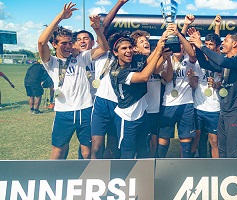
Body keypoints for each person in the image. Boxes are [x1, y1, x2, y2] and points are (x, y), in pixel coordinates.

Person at [37, 2, 108, 159]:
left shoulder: (81, 57)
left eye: (70, 42)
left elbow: (103, 48)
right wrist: (60, 17)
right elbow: (42, 42)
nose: (68, 46)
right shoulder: (52, 62)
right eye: (64, 43)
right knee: (58, 152)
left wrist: (97, 29)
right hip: (64, 113)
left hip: (86, 110)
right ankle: (54, 180)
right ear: (54, 44)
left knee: (87, 152)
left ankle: (86, 180)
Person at [189, 29, 237, 158]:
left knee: (232, 153)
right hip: (224, 111)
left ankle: (235, 178)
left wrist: (202, 46)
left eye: (226, 40)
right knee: (222, 152)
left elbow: (223, 62)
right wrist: (197, 46)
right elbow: (204, 64)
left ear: (234, 44)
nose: (222, 43)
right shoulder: (226, 62)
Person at [109, 29, 166, 159]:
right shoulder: (117, 72)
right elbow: (144, 77)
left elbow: (147, 61)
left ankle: (142, 177)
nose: (128, 51)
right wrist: (157, 51)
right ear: (115, 52)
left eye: (130, 47)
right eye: (124, 48)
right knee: (128, 153)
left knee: (143, 150)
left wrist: (161, 48)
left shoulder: (134, 59)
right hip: (127, 117)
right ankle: (126, 178)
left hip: (141, 113)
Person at [90, 0, 129, 159]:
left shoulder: (125, 56)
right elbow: (104, 25)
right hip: (101, 104)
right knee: (96, 147)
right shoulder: (101, 52)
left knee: (113, 147)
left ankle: (111, 177)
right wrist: (119, 4)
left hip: (118, 104)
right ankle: (93, 176)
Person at [157, 23, 199, 158]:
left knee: (186, 138)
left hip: (186, 104)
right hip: (168, 103)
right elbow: (168, 78)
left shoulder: (188, 60)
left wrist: (179, 35)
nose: (179, 47)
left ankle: (185, 166)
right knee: (164, 137)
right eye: (175, 45)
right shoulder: (163, 60)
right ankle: (160, 163)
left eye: (180, 44)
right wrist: (168, 60)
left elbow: (193, 54)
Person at [191, 31, 222, 158]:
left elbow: (224, 84)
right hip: (198, 107)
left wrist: (216, 84)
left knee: (214, 141)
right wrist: (191, 78)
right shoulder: (199, 62)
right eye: (206, 44)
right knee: (196, 138)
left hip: (214, 108)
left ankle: (217, 168)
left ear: (217, 47)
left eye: (211, 44)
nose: (208, 46)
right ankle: (188, 163)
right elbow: (194, 85)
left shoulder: (221, 62)